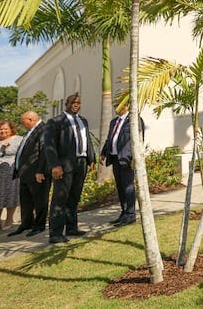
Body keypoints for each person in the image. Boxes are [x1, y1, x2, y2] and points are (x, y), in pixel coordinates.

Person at [44, 93, 96, 243]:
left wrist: (91, 158)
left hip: (80, 163)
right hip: (63, 165)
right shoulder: (55, 122)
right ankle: (55, 234)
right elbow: (49, 146)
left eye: (78, 102)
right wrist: (55, 165)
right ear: (67, 103)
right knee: (60, 198)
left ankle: (72, 228)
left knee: (74, 197)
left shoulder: (83, 121)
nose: (76, 105)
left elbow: (87, 140)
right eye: (73, 102)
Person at [8, 111, 50, 237]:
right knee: (25, 201)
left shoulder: (44, 129)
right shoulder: (30, 131)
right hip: (25, 173)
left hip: (37, 173)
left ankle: (39, 225)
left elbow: (45, 151)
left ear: (31, 120)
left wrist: (40, 171)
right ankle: (26, 223)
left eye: (23, 121)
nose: (22, 124)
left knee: (39, 200)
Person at [100, 103, 143, 227]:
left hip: (127, 158)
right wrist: (103, 153)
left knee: (128, 187)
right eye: (115, 105)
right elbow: (110, 139)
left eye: (119, 105)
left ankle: (130, 214)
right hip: (114, 158)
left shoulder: (134, 120)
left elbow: (139, 139)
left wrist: (135, 157)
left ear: (126, 106)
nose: (116, 108)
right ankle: (124, 213)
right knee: (120, 187)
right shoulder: (114, 122)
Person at [0, 120, 23, 230]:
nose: (3, 131)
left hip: (12, 171)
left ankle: (9, 220)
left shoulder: (18, 139)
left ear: (11, 129)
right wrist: (2, 148)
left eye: (5, 129)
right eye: (0, 129)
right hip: (0, 172)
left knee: (11, 195)